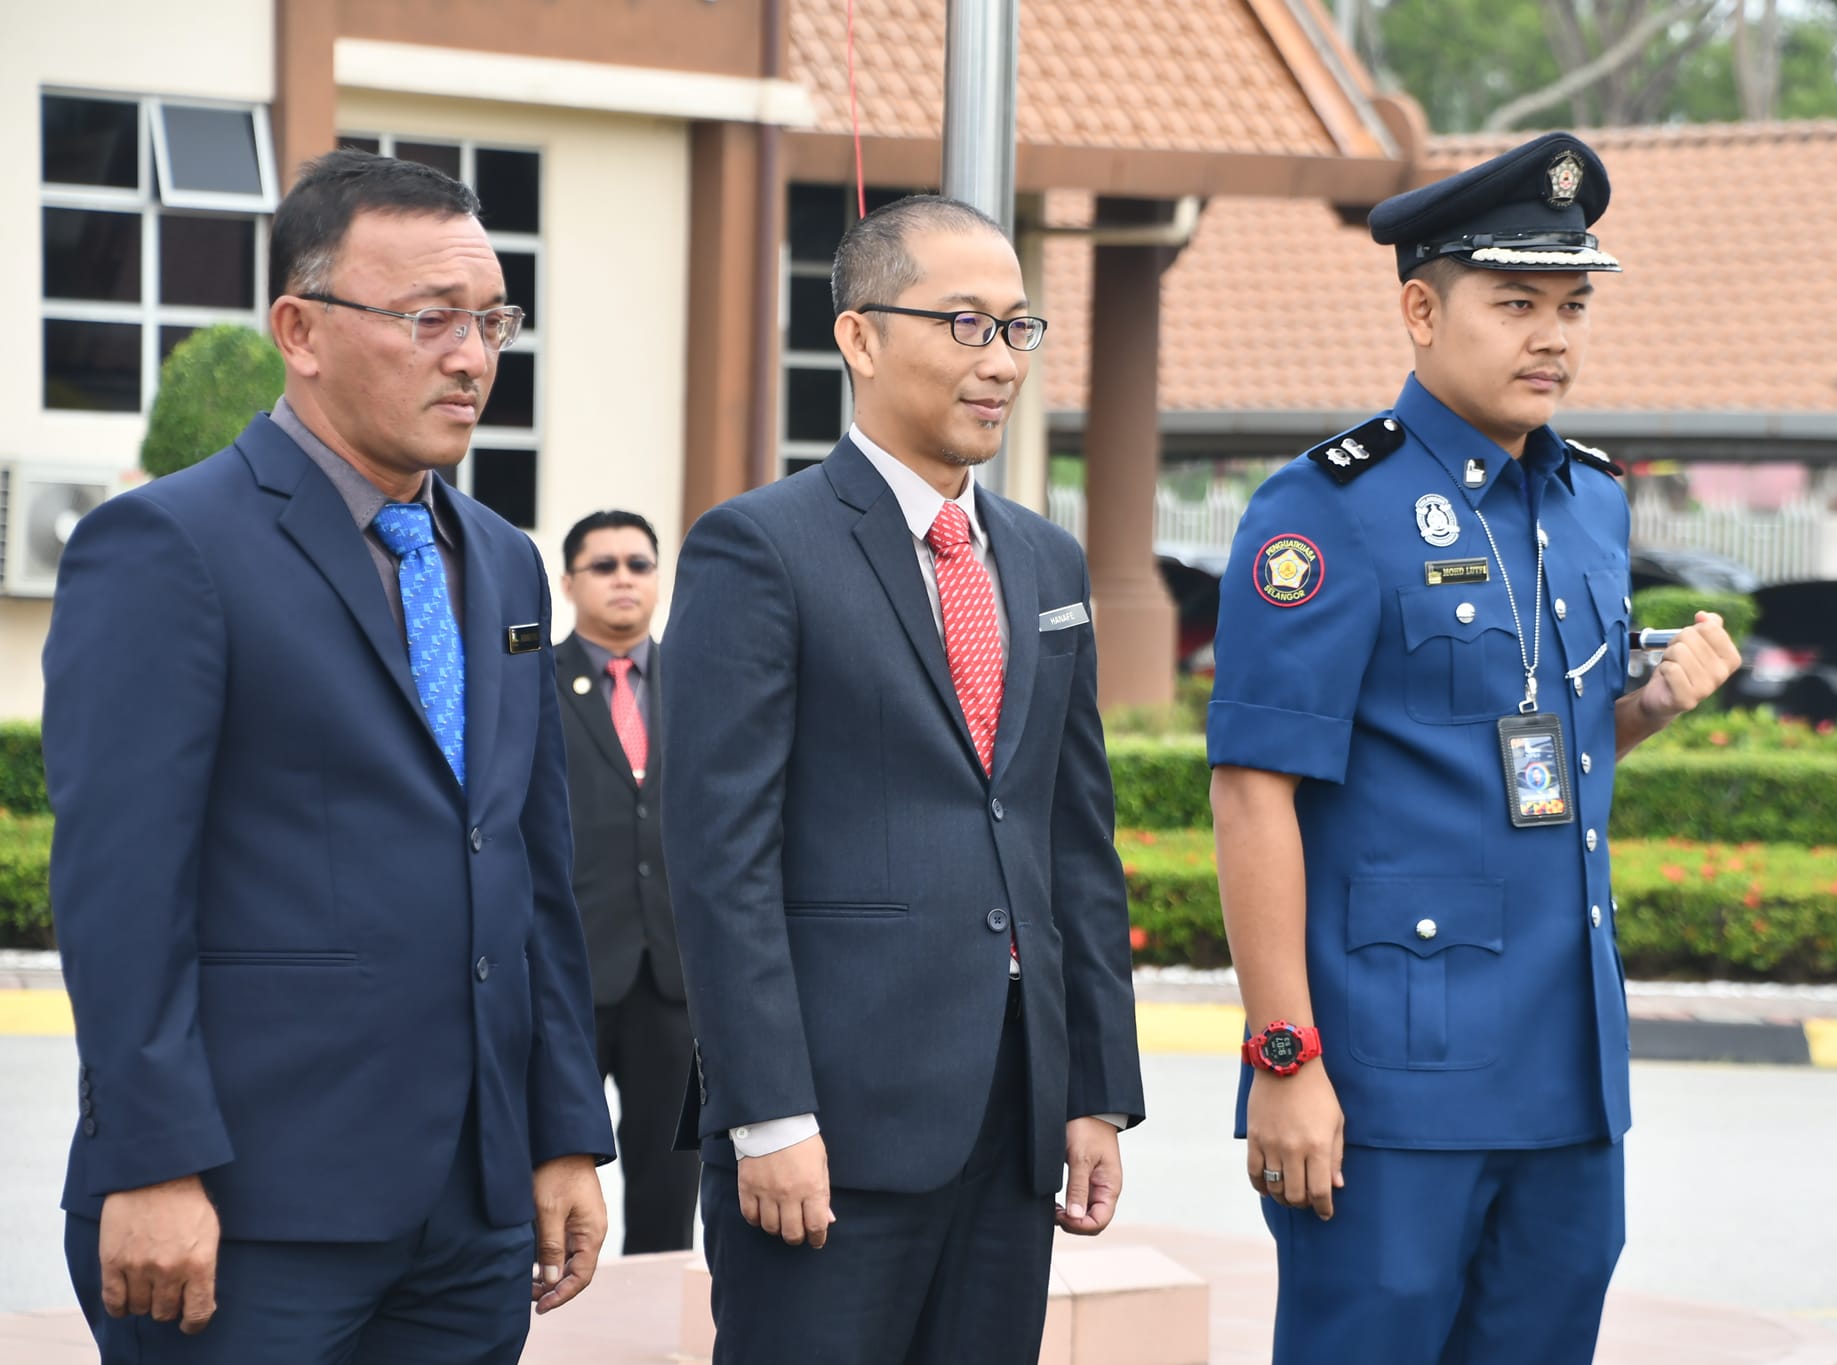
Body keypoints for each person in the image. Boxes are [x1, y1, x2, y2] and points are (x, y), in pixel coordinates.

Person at [43, 148, 614, 1364]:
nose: (471, 357)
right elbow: (119, 888)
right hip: (244, 1213)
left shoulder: (505, 560)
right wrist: (152, 1162)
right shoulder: (165, 547)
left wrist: (563, 1131)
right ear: (298, 329)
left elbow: (531, 867)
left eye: (491, 319)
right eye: (428, 320)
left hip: (469, 1217)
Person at [1206, 131, 1741, 1364]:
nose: (1550, 335)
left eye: (1569, 305)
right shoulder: (1327, 506)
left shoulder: (1590, 501)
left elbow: (1538, 760)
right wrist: (1283, 1056)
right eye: (1513, 304)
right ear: (1418, 310)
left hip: (1564, 1072)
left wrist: (1646, 713)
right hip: (1390, 1081)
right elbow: (1253, 793)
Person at [661, 194, 1146, 1365]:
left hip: (1012, 1117)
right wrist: (766, 1112)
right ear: (861, 337)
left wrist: (1091, 1087)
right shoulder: (759, 547)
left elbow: (1070, 840)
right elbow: (721, 857)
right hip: (829, 1129)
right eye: (965, 325)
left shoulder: (1042, 558)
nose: (999, 362)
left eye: (1018, 329)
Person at [555, 509, 701, 1253]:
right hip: (566, 974)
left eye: (639, 564)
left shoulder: (704, 681)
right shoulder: (533, 685)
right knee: (544, 1182)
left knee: (671, 1185)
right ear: (569, 580)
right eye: (604, 564)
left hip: (676, 979)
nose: (623, 578)